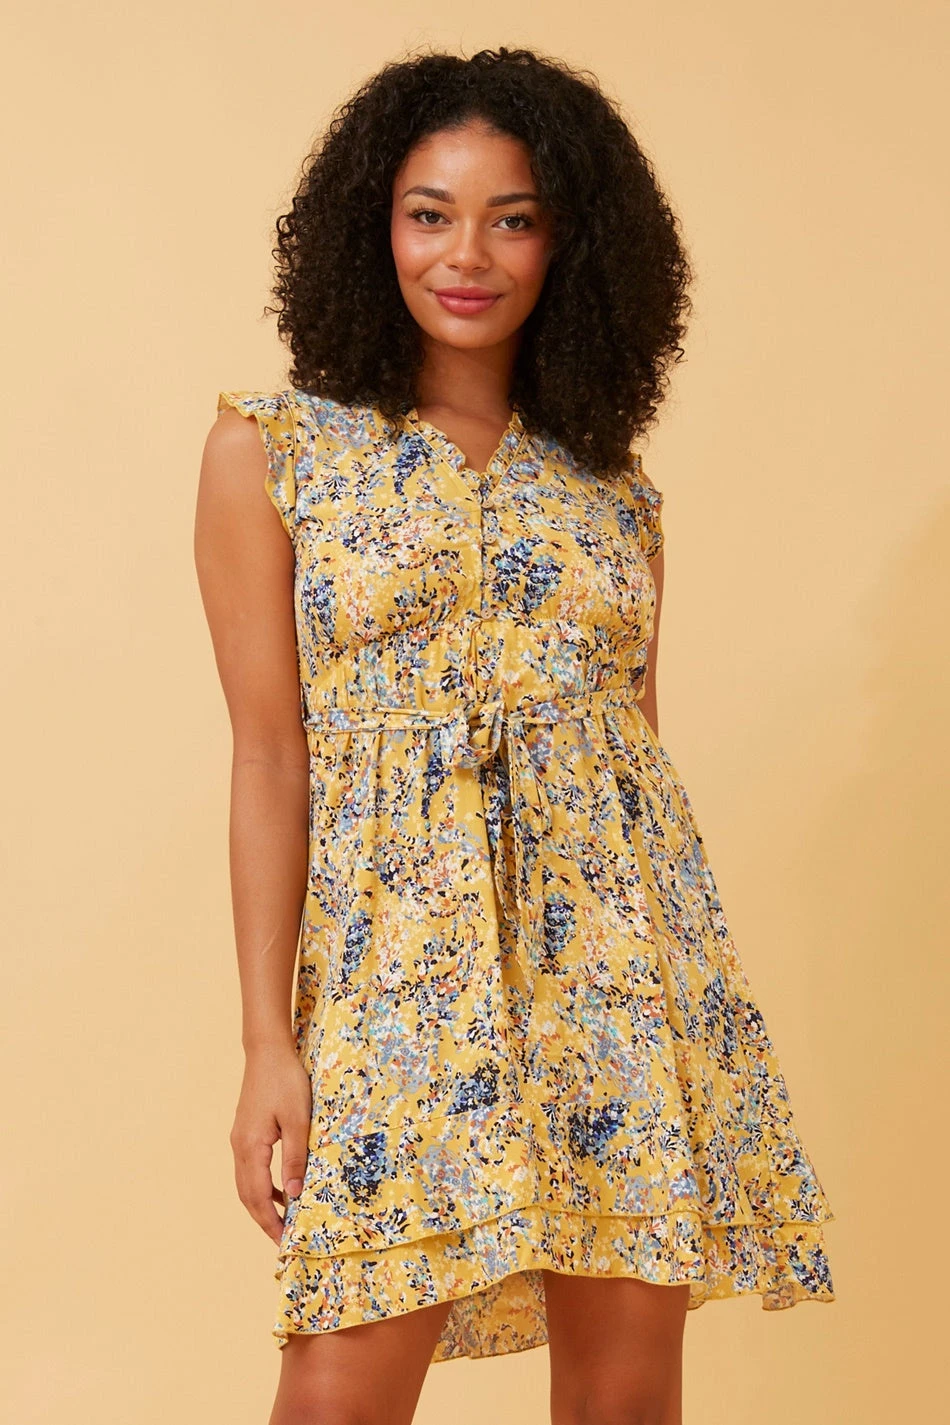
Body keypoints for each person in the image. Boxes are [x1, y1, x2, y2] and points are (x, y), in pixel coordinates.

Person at [194, 44, 836, 1425]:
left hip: (617, 977)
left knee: (624, 1399)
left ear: (571, 243)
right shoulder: (276, 452)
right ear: (374, 228)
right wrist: (268, 1044)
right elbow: (268, 758)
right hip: (398, 980)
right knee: (338, 1393)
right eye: (429, 213)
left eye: (514, 218)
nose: (466, 255)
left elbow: (634, 764)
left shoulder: (614, 495)